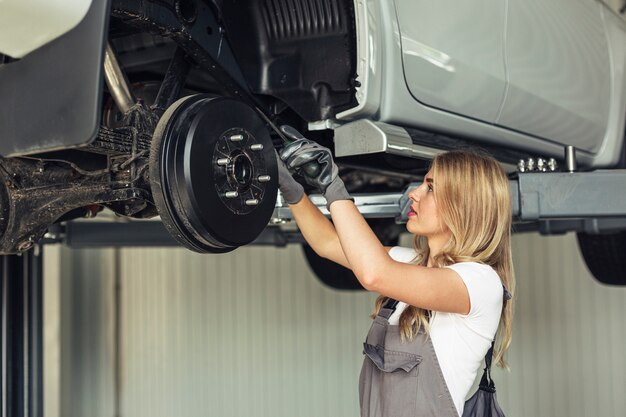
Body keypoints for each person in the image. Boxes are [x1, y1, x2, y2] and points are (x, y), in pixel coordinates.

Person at [276, 128, 515, 417]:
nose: (413, 193)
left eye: (430, 188)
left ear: (463, 206)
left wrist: (332, 185)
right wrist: (290, 187)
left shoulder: (479, 282)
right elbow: (328, 244)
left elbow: (373, 273)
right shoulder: (412, 263)